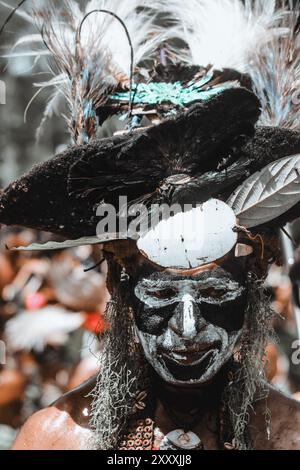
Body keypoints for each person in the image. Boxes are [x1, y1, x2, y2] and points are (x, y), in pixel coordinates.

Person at [1, 0, 300, 451]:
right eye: (159, 294)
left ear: (255, 280)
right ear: (118, 284)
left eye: (216, 294)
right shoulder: (54, 439)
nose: (186, 329)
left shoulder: (288, 436)